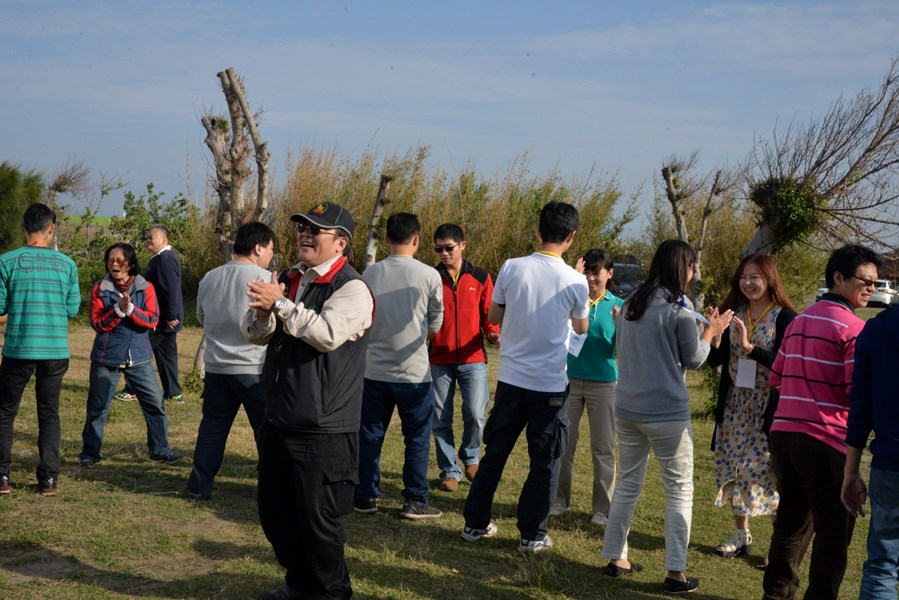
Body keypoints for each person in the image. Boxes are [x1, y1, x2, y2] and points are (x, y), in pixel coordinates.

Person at [244, 201, 373, 600]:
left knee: (320, 521)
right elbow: (255, 333)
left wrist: (280, 304)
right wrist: (266, 313)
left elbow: (327, 333)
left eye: (315, 229)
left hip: (325, 426)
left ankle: (333, 593)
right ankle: (299, 584)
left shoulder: (352, 287)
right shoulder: (288, 278)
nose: (304, 234)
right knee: (276, 512)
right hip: (280, 416)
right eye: (301, 227)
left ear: (341, 243)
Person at [600, 239, 732, 594]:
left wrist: (706, 333)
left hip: (627, 409)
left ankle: (616, 557)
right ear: (681, 267)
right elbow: (694, 358)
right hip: (666, 415)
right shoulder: (680, 306)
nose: (693, 273)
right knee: (678, 491)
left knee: (627, 484)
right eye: (691, 266)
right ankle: (676, 573)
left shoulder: (631, 302)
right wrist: (711, 331)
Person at [461, 201, 589, 553]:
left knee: (495, 453)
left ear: (538, 230)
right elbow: (581, 327)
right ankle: (532, 534)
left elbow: (495, 315)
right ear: (571, 236)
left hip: (511, 378)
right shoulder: (576, 281)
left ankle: (474, 523)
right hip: (549, 385)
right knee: (543, 461)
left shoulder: (511, 267)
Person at [764, 244, 882, 600]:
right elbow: (854, 391)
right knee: (833, 534)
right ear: (838, 278)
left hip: (784, 434)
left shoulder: (799, 320)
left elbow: (776, 378)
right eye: (866, 280)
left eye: (877, 283)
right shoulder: (853, 328)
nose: (872, 288)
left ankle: (776, 594)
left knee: (791, 523)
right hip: (825, 440)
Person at [354, 212, 444, 519]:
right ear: (417, 239)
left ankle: (365, 496)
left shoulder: (369, 274)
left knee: (369, 435)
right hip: (414, 372)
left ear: (387, 238)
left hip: (374, 370)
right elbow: (436, 321)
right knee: (417, 437)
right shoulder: (430, 275)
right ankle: (415, 500)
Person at [708, 254, 797, 560]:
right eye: (744, 277)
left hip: (767, 409)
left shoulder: (786, 318)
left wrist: (751, 349)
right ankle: (741, 533)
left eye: (755, 277)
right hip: (734, 406)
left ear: (770, 279)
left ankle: (779, 542)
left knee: (764, 473)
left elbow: (787, 366)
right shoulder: (733, 313)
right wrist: (715, 337)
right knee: (733, 469)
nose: (748, 283)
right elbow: (715, 362)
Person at [184, 222, 274, 500]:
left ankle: (199, 485)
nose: (272, 254)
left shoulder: (210, 277)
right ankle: (272, 488)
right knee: (267, 431)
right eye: (271, 249)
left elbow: (200, 317)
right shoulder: (266, 279)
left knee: (213, 427)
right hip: (254, 367)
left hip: (217, 366)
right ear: (258, 247)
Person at [0, 203, 80, 496]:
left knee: (5, 412)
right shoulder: (68, 265)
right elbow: (72, 308)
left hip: (19, 348)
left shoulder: (6, 262)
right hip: (56, 350)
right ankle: (48, 479)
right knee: (49, 413)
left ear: (23, 228)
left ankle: (2, 477)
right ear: (52, 228)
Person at [79, 243, 182, 467]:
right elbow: (97, 323)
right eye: (111, 260)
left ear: (131, 263)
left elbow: (153, 319)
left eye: (120, 260)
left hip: (140, 356)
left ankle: (160, 450)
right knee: (97, 408)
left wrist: (132, 310)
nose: (115, 265)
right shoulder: (100, 289)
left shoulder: (146, 288)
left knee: (155, 405)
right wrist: (117, 311)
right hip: (106, 358)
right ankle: (90, 452)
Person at [550, 248, 623, 526]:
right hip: (568, 380)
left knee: (602, 448)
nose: (592, 278)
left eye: (597, 272)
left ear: (609, 273)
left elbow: (624, 350)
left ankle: (603, 509)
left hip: (604, 383)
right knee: (564, 444)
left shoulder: (619, 305)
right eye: (587, 271)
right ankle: (558, 500)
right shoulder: (570, 299)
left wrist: (621, 326)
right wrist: (573, 280)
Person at [429, 223, 500, 493]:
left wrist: (493, 333)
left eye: (449, 248)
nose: (444, 254)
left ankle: (471, 458)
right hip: (438, 359)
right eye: (438, 249)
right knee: (439, 418)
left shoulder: (481, 277)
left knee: (475, 413)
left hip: (472, 358)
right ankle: (449, 470)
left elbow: (489, 315)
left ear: (463, 246)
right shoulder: (431, 277)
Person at [842, 303, 899, 599]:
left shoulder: (877, 329)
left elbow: (861, 408)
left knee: (883, 565)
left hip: (890, 463)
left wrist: (851, 471)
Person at [117, 225, 184, 402]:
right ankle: (174, 393)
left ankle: (132, 390)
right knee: (167, 356)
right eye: (147, 237)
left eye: (151, 237)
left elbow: (170, 289)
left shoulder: (166, 259)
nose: (148, 240)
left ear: (163, 240)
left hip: (161, 319)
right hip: (163, 318)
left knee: (139, 349)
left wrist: (171, 316)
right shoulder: (160, 258)